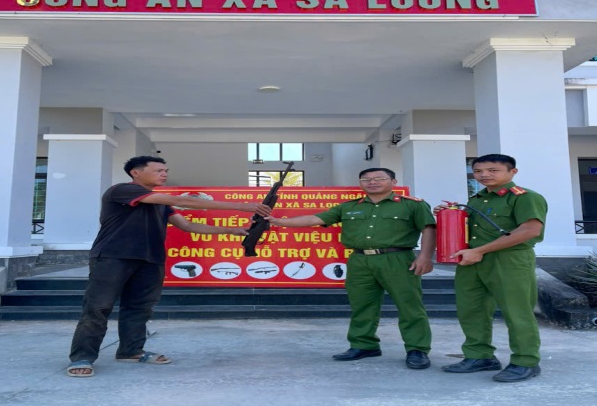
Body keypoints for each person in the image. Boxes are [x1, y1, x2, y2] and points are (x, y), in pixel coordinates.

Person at [67, 156, 272, 377]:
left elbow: (187, 225)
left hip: (150, 259)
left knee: (139, 308)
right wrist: (241, 206)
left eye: (166, 170)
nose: (164, 174)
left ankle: (131, 351)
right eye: (158, 170)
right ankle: (82, 357)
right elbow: (186, 202)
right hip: (113, 257)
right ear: (136, 172)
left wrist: (232, 231)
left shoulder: (161, 204)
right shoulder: (122, 190)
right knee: (98, 308)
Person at [267, 167, 436, 369]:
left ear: (393, 182)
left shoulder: (412, 205)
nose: (372, 182)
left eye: (379, 178)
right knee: (362, 305)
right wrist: (278, 221)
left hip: (398, 259)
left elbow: (428, 228)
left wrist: (425, 256)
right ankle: (363, 345)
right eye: (366, 179)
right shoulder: (349, 207)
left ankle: (417, 349)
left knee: (409, 305)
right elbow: (315, 219)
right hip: (359, 260)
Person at [437, 154, 547, 383]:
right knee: (471, 310)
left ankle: (525, 361)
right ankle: (479, 356)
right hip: (471, 260)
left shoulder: (525, 197)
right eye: (478, 171)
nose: (484, 175)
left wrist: (481, 250)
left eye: (493, 170)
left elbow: (530, 230)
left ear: (512, 172)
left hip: (509, 260)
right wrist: (450, 213)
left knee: (517, 312)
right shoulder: (477, 200)